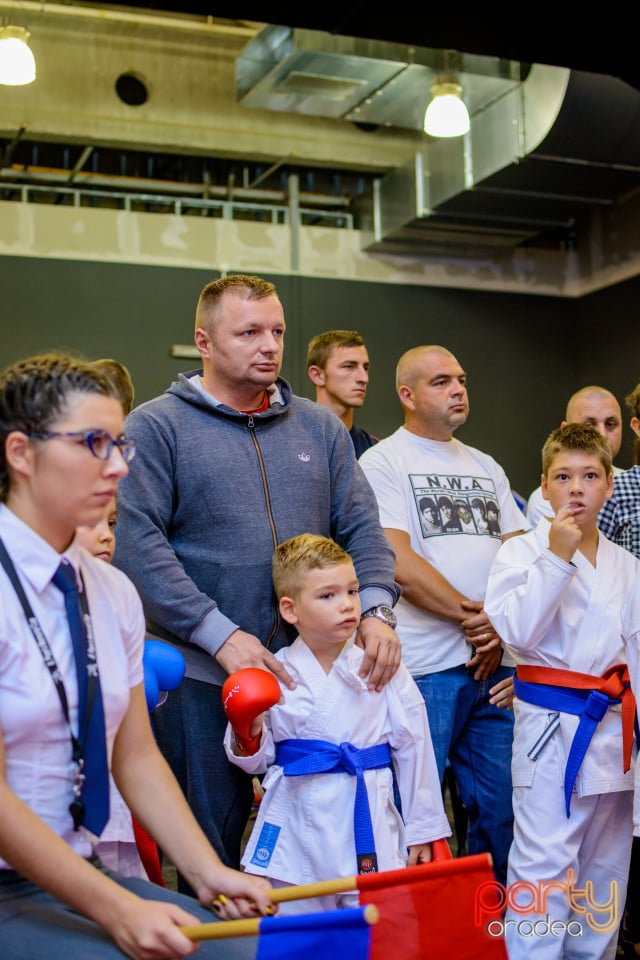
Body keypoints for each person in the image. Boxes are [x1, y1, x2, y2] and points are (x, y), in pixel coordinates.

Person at [112, 274, 401, 889]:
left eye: (276, 332)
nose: (269, 345)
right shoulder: (155, 426)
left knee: (318, 858)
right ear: (204, 342)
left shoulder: (320, 430)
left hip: (312, 677)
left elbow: (364, 530)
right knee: (207, 860)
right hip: (200, 677)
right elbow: (138, 549)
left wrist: (376, 610)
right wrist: (220, 635)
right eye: (248, 332)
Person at [0, 352, 273, 960]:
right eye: (95, 443)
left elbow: (135, 752)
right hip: (17, 886)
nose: (120, 466)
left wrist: (205, 871)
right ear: (21, 453)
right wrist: (119, 907)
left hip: (75, 868)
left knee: (242, 950)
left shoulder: (112, 589)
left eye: (120, 443)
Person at [359, 344, 528, 886]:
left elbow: (520, 556)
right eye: (440, 382)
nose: (458, 389)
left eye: (461, 378)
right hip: (424, 670)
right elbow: (396, 562)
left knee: (501, 815)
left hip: (493, 667)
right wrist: (476, 619)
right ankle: (428, 937)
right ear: (406, 395)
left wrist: (500, 626)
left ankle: (492, 929)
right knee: (422, 823)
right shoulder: (383, 461)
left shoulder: (486, 465)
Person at [223, 533, 451, 913]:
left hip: (369, 822)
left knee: (377, 936)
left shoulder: (382, 665)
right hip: (296, 827)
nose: (347, 605)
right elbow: (257, 762)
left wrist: (423, 830)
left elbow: (415, 745)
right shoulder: (274, 672)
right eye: (328, 596)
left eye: (352, 591)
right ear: (290, 609)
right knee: (298, 939)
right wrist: (248, 727)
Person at [484, 423, 640, 960]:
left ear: (609, 486)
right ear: (543, 488)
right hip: (551, 731)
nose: (577, 488)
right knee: (543, 869)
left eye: (590, 476)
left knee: (604, 873)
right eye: (564, 477)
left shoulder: (629, 565)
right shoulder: (520, 553)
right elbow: (519, 634)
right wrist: (556, 558)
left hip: (618, 730)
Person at [75, 497, 150, 881]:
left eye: (113, 523)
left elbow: (137, 752)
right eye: (92, 523)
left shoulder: (118, 594)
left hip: (108, 801)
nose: (107, 536)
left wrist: (206, 872)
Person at [526, 385, 623, 527]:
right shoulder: (546, 501)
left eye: (610, 424)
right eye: (589, 425)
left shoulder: (633, 487)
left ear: (609, 484)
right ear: (566, 431)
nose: (602, 434)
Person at [306, 329, 378, 457]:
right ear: (318, 375)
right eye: (349, 366)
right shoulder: (293, 442)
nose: (364, 378)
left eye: (365, 368)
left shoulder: (374, 450)